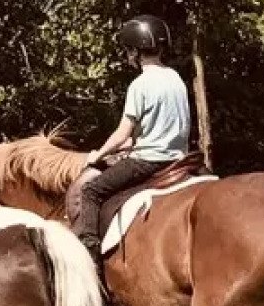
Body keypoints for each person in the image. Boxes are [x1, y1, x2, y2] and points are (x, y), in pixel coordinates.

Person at [74, 15, 193, 265]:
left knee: (90, 191)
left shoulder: (140, 84)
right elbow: (157, 129)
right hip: (181, 159)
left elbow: (122, 134)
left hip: (149, 162)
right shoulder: (176, 79)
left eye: (128, 50)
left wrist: (98, 155)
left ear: (134, 51)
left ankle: (89, 256)